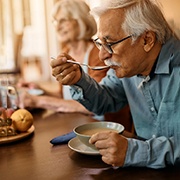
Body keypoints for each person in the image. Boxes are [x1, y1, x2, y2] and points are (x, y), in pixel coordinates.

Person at [50, 0, 180, 169]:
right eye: (100, 43)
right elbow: (105, 100)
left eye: (110, 44)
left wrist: (134, 151)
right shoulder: (128, 67)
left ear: (147, 40)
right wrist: (78, 79)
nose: (103, 54)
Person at [17, 0, 108, 116]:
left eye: (63, 20)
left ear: (81, 21)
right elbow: (64, 96)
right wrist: (41, 90)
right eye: (55, 21)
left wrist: (39, 101)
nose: (58, 27)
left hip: (98, 124)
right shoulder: (65, 53)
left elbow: (92, 104)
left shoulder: (99, 54)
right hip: (73, 122)